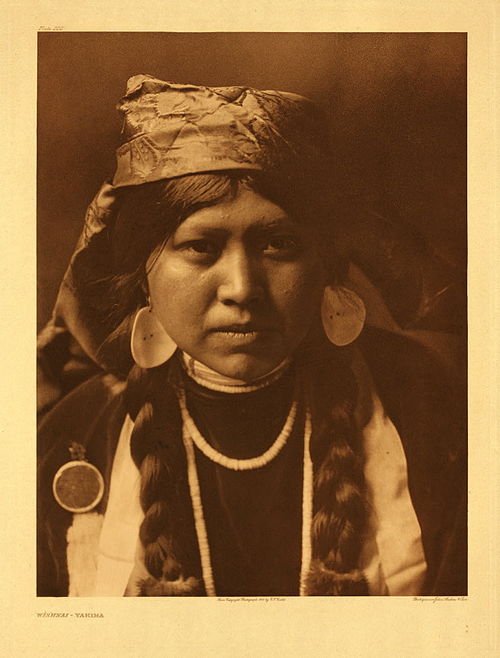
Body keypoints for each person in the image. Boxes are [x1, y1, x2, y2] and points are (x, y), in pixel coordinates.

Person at [37, 74, 466, 597]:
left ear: (326, 265)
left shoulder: (428, 413)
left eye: (278, 244)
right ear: (142, 273)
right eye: (201, 247)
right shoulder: (76, 433)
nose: (242, 289)